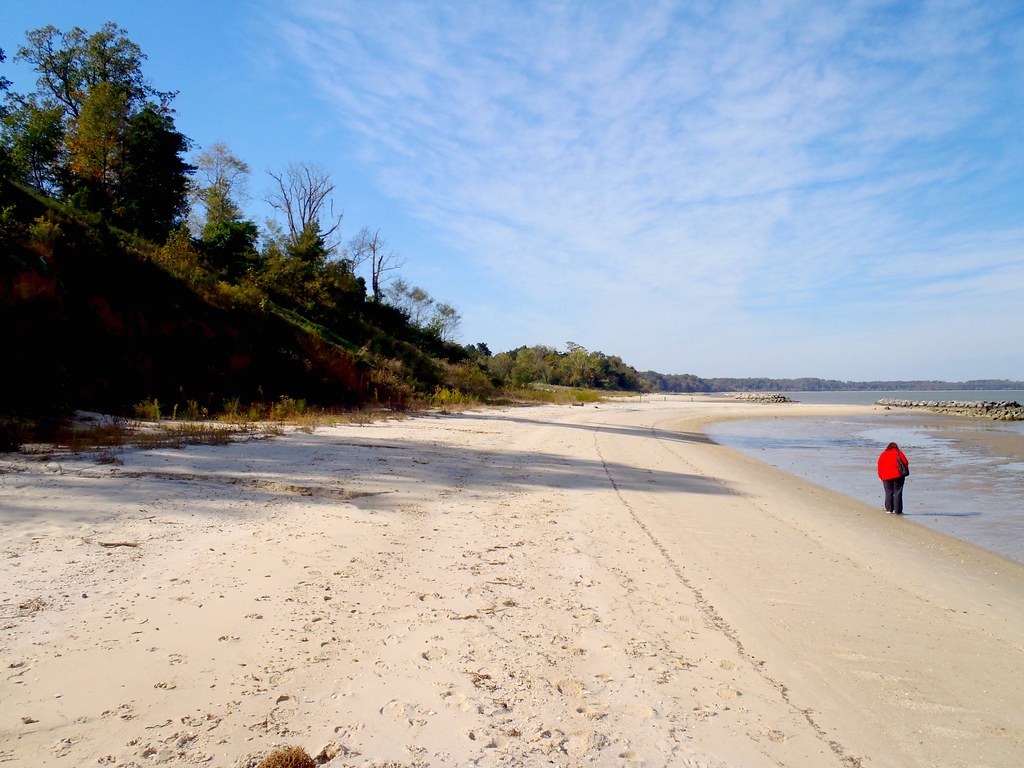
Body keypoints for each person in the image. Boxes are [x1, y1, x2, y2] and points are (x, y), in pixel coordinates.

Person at [877, 442, 910, 515]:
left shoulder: (883, 454)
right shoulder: (899, 453)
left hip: (885, 476)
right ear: (896, 447)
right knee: (898, 493)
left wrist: (880, 476)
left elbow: (879, 465)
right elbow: (906, 463)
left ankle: (889, 509)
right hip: (898, 475)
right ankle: (898, 511)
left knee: (888, 493)